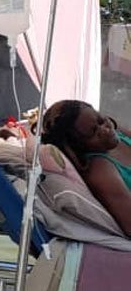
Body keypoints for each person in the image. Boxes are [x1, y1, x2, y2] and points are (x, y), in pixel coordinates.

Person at [43, 100, 131, 237]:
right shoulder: (101, 171)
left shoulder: (119, 135)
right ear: (78, 146)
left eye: (101, 120)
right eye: (94, 132)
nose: (106, 129)